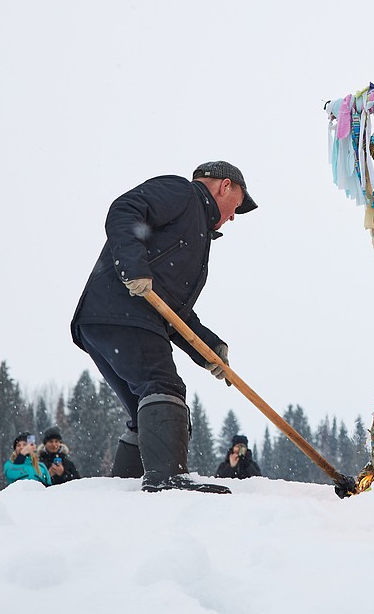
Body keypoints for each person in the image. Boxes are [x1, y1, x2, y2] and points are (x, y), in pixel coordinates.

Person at [70, 161, 257, 493]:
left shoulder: (196, 232)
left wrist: (209, 349)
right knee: (163, 386)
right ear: (224, 186)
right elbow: (125, 209)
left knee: (144, 407)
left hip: (106, 321)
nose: (232, 218)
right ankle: (166, 479)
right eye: (236, 208)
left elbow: (174, 311)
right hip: (125, 312)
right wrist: (133, 268)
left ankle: (125, 488)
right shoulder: (183, 192)